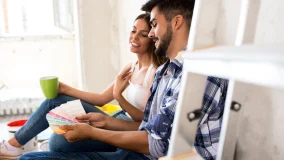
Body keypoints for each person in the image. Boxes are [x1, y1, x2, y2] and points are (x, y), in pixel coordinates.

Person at [20, 0, 228, 159]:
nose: (152, 33)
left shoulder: (199, 75)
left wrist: (94, 132)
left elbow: (154, 144)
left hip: (148, 153)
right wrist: (106, 121)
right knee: (40, 150)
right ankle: (16, 144)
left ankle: (13, 146)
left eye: (154, 25)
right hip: (142, 148)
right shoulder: (167, 72)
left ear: (176, 22)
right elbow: (148, 127)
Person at [0, 13, 167, 159]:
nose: (135, 37)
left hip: (128, 131)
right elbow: (101, 99)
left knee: (57, 142)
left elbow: (146, 122)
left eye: (143, 34)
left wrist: (118, 96)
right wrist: (66, 89)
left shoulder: (154, 73)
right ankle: (13, 145)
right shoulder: (131, 66)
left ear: (152, 38)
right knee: (54, 101)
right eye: (133, 31)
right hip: (115, 118)